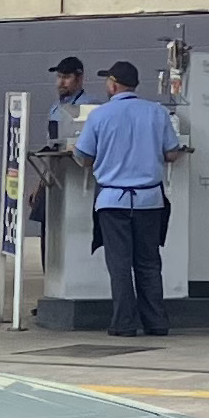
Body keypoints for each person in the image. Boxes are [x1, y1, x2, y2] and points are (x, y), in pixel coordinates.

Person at [72, 60, 187, 337]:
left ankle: (124, 323)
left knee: (120, 264)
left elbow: (84, 158)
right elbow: (172, 152)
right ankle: (156, 322)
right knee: (148, 262)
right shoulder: (157, 113)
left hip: (113, 201)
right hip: (150, 201)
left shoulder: (99, 116)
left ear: (113, 84)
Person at [30, 56, 90, 257]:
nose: (60, 82)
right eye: (59, 77)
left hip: (77, 176)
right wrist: (39, 184)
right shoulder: (56, 108)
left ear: (79, 79)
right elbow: (51, 147)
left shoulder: (88, 106)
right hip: (54, 174)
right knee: (47, 227)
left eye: (66, 77)